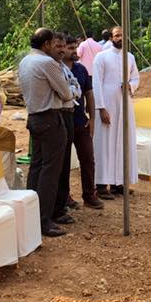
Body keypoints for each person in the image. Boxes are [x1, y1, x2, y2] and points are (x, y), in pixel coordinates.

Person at [17, 27, 75, 237]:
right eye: (54, 44)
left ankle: (31, 215)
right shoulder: (47, 63)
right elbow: (67, 93)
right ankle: (44, 221)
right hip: (50, 118)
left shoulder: (25, 61)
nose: (57, 48)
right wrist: (68, 92)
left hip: (34, 118)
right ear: (46, 44)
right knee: (51, 172)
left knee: (37, 168)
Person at [92, 26, 140, 198]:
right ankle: (101, 185)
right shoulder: (101, 57)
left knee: (123, 142)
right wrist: (101, 107)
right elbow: (96, 83)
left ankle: (119, 183)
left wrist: (130, 85)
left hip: (125, 104)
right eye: (117, 35)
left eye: (122, 35)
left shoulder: (130, 57)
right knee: (105, 144)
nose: (120, 38)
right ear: (111, 38)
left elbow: (135, 78)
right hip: (107, 105)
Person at [63, 34, 103, 209]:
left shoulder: (81, 69)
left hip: (81, 122)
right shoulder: (56, 69)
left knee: (87, 158)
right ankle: (65, 196)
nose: (75, 51)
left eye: (76, 47)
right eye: (71, 48)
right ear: (62, 50)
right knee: (63, 162)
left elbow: (89, 93)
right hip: (63, 122)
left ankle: (89, 194)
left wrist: (92, 118)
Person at [52, 31, 79, 224]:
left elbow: (76, 87)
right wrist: (71, 92)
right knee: (57, 166)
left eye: (65, 47)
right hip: (58, 115)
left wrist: (72, 91)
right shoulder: (51, 66)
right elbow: (67, 92)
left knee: (64, 164)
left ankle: (61, 203)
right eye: (59, 47)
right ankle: (56, 208)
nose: (62, 50)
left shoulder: (64, 67)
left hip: (69, 115)